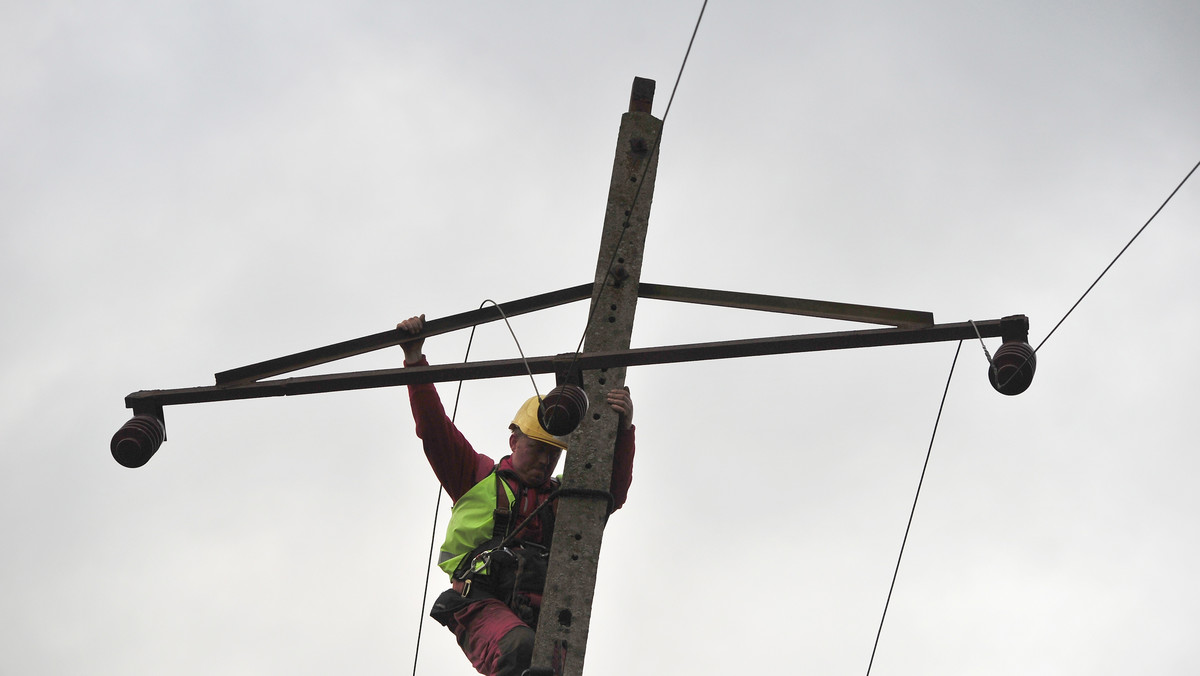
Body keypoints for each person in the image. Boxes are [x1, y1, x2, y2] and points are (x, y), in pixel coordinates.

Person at [396, 314, 636, 676]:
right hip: (480, 602)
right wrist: (415, 359)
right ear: (514, 441)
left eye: (553, 453)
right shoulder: (477, 476)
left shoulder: (562, 498)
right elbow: (434, 430)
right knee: (519, 647)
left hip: (542, 611)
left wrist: (624, 429)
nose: (545, 460)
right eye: (536, 448)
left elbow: (608, 495)